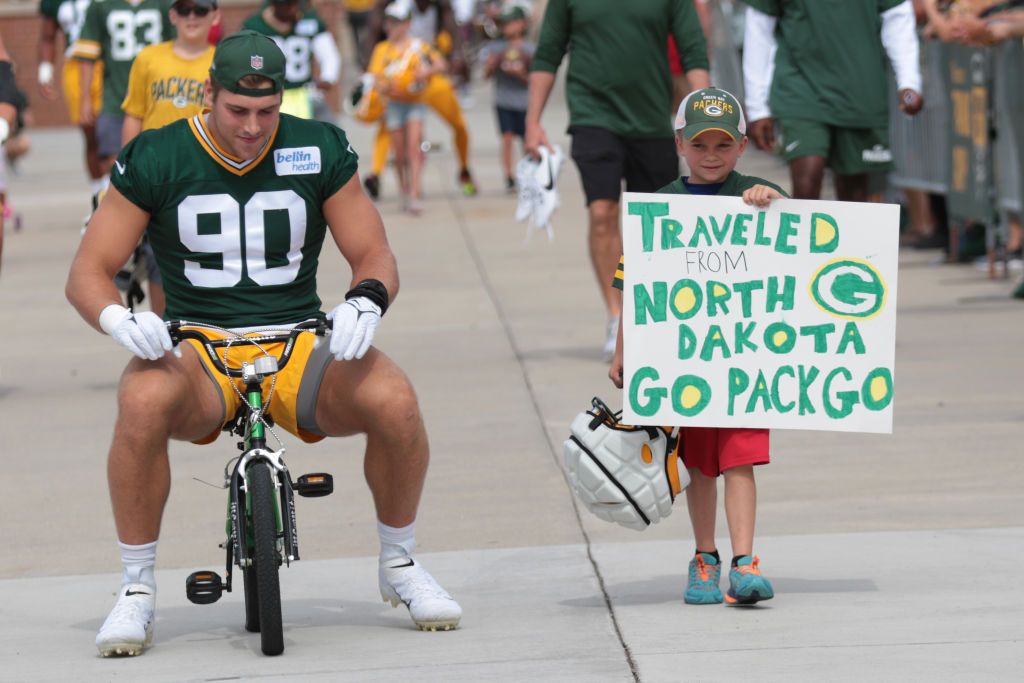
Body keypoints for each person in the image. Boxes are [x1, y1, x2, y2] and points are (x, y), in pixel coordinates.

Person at [65, 30, 461, 657]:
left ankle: (401, 563)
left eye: (267, 111)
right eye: (237, 111)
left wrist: (367, 297)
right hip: (199, 348)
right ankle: (136, 587)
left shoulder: (318, 145)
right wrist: (118, 320)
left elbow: (373, 252)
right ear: (207, 94)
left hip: (297, 340)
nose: (253, 127)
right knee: (139, 402)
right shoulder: (157, 154)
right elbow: (88, 270)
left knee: (396, 400)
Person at [609, 87, 786, 606]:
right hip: (687, 361)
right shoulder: (661, 205)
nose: (712, 156)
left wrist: (774, 204)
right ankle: (704, 556)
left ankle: (745, 562)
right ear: (680, 144)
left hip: (745, 361)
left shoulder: (758, 192)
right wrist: (624, 351)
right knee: (701, 466)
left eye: (723, 145)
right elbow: (636, 286)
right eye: (701, 144)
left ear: (742, 146)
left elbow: (799, 247)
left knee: (740, 461)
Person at [526, 0, 711, 361]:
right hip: (593, 117)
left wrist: (703, 119)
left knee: (656, 226)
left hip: (652, 121)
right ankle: (617, 317)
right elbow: (548, 52)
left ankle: (648, 316)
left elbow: (693, 51)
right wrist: (532, 122)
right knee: (602, 213)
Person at [741, 0, 924, 202]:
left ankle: (850, 235)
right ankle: (805, 234)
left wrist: (909, 82)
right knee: (807, 180)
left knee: (855, 192)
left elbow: (898, 18)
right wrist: (757, 108)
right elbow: (758, 28)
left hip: (861, 90)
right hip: (801, 86)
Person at [118, 0, 221, 316]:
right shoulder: (150, 58)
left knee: (209, 254)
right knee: (157, 256)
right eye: (185, 10)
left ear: (215, 15)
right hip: (156, 175)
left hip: (205, 174)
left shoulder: (221, 61)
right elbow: (135, 115)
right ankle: (169, 331)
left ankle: (209, 324)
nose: (192, 17)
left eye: (200, 10)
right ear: (172, 14)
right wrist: (125, 169)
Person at [361, 0, 477, 199]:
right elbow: (373, 29)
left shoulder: (440, 6)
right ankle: (376, 174)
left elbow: (454, 32)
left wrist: (457, 59)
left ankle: (464, 168)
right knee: (388, 126)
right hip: (399, 73)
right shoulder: (397, 6)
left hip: (426, 75)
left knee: (458, 122)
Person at [70, 0, 175, 205]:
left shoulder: (164, 4)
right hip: (115, 96)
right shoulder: (100, 5)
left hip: (157, 98)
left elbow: (178, 47)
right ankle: (117, 210)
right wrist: (85, 100)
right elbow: (87, 56)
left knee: (160, 162)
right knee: (114, 161)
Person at [367, 3, 447, 214]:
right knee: (399, 152)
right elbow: (375, 76)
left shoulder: (417, 46)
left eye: (395, 22)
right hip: (394, 105)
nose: (390, 27)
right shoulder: (382, 49)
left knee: (413, 147)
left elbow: (440, 64)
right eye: (389, 22)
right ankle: (404, 187)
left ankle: (414, 193)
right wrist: (385, 86)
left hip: (416, 103)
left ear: (406, 24)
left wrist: (425, 73)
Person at [38, 0, 106, 200]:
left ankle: (115, 191)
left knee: (110, 130)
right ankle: (99, 193)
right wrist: (45, 71)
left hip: (108, 61)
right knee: (90, 132)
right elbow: (47, 36)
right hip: (75, 64)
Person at [241, 0, 342, 120]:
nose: (294, 9)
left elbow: (329, 55)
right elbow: (242, 60)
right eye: (288, 4)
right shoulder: (255, 26)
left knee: (332, 133)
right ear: (274, 4)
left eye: (296, 3)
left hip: (305, 94)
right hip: (269, 95)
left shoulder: (309, 22)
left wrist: (328, 77)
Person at [480, 5, 533, 193]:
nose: (506, 27)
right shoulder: (496, 48)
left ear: (521, 24)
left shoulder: (530, 49)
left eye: (510, 22)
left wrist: (520, 74)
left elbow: (535, 80)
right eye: (504, 23)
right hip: (503, 100)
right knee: (507, 138)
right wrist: (490, 66)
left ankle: (529, 175)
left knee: (527, 140)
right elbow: (486, 76)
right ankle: (509, 177)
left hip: (525, 101)